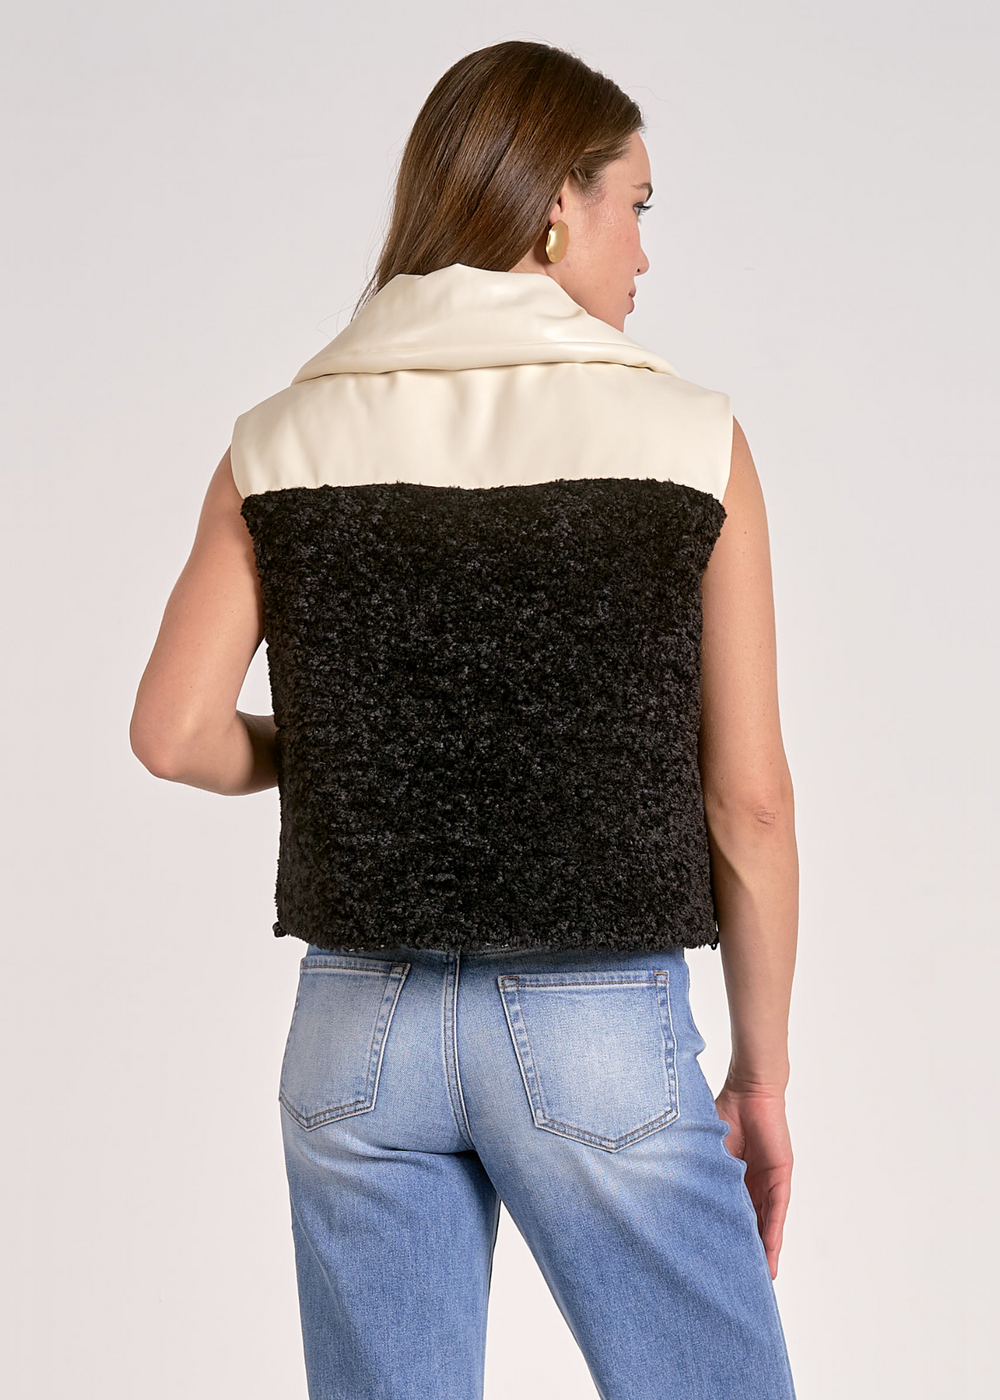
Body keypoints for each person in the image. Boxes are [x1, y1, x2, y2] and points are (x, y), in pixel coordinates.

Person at [131, 39, 798, 1400]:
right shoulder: (690, 440)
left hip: (353, 1032)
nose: (645, 254)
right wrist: (763, 1076)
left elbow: (174, 733)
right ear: (557, 205)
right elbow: (750, 802)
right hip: (598, 1033)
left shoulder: (278, 440)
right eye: (635, 206)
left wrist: (343, 750)